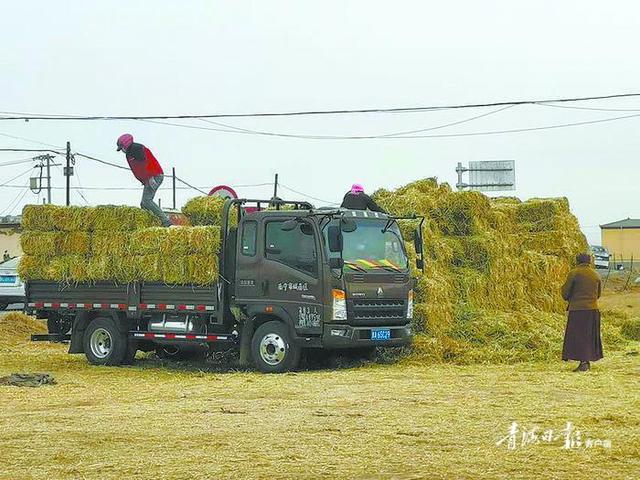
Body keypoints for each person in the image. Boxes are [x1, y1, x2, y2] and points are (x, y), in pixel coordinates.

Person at [116, 134, 172, 227]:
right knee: (143, 204)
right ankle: (150, 224)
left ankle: (166, 221)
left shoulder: (136, 148)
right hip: (149, 177)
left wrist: (150, 177)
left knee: (147, 200)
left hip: (154, 175)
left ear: (125, 144)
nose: (122, 150)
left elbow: (146, 163)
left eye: (121, 148)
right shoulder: (130, 153)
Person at [561, 253, 603, 372]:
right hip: (593, 310)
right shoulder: (596, 274)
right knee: (589, 336)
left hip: (578, 310)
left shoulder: (574, 273)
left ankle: (583, 363)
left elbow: (565, 294)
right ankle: (586, 361)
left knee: (578, 336)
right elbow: (598, 294)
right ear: (589, 261)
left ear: (577, 261)